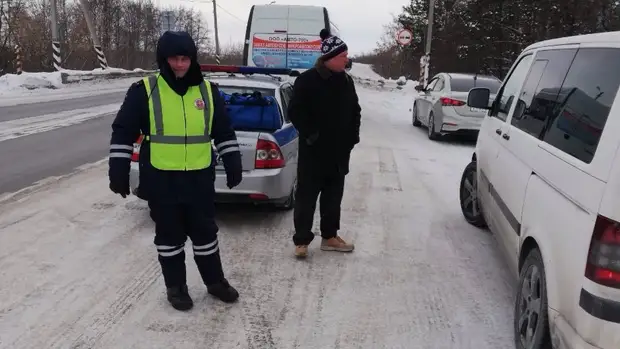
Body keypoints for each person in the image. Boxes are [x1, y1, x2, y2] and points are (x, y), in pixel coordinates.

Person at [107, 31, 243, 311]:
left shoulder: (207, 91)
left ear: (192, 59)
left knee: (205, 233)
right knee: (169, 236)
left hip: (198, 177)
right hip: (161, 177)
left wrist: (233, 161)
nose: (180, 65)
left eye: (185, 58)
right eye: (174, 59)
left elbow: (223, 131)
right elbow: (123, 132)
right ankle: (176, 288)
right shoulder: (144, 89)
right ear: (163, 59)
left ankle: (215, 282)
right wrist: (118, 168)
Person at [288, 28, 362, 258]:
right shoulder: (307, 80)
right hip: (314, 153)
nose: (346, 60)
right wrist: (312, 136)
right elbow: (296, 112)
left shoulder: (346, 81)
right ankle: (301, 241)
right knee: (306, 198)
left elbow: (355, 111)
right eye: (343, 56)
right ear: (329, 58)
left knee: (333, 198)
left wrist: (352, 137)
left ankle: (330, 237)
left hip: (339, 153)